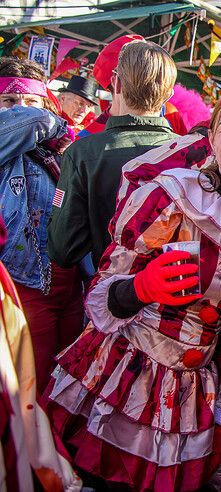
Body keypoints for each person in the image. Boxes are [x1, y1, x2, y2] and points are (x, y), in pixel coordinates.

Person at [42, 89, 221, 491]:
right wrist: (141, 287)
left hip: (193, 392)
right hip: (128, 374)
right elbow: (104, 292)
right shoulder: (173, 195)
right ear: (212, 140)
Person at [48, 40, 177, 274]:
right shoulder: (193, 153)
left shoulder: (83, 153)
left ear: (115, 83)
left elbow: (63, 249)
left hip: (110, 294)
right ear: (169, 94)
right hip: (178, 298)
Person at [0, 56, 82, 391]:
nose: (19, 109)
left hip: (70, 285)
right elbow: (26, 121)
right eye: (8, 101)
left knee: (62, 386)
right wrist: (53, 120)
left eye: (31, 101)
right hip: (21, 287)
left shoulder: (60, 150)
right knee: (26, 391)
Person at [0, 215, 83, 491]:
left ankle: (56, 465)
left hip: (66, 276)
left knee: (56, 384)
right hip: (26, 277)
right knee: (29, 384)